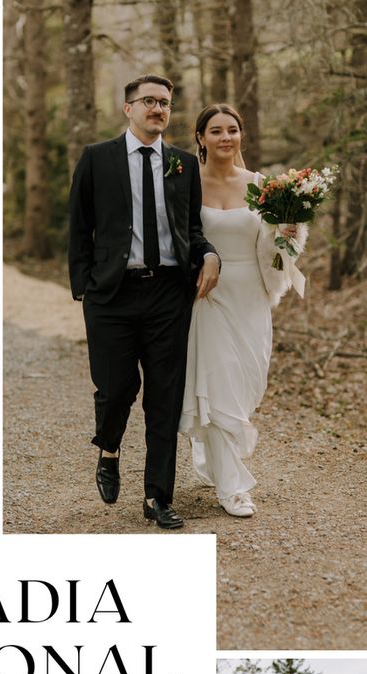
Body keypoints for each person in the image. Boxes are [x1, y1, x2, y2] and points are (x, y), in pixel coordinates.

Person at [68, 74, 220, 529]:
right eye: (149, 101)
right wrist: (86, 289)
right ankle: (109, 449)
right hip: (111, 293)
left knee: (164, 396)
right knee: (115, 389)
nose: (158, 109)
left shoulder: (182, 165)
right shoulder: (98, 159)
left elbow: (190, 228)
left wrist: (207, 253)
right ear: (127, 108)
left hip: (168, 293)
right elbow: (79, 227)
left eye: (165, 103)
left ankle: (157, 496)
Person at [179, 104, 304, 517]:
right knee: (218, 383)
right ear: (200, 138)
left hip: (251, 296)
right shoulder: (186, 185)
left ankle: (214, 458)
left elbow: (276, 251)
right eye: (215, 131)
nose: (225, 138)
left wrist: (289, 234)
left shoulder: (260, 186)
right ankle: (233, 488)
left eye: (232, 130)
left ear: (240, 136)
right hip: (206, 295)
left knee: (247, 383)